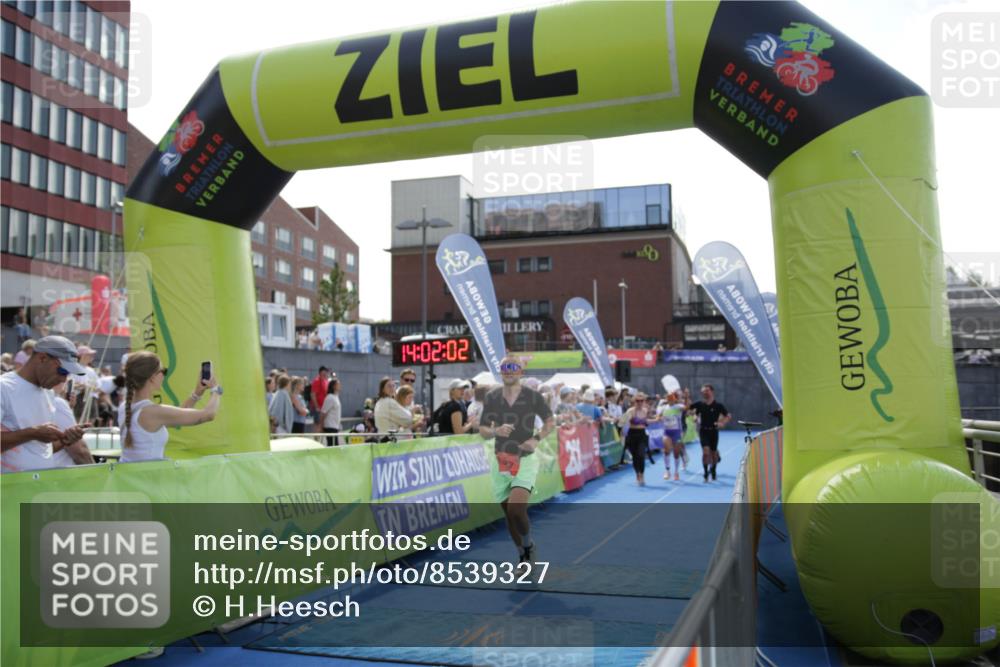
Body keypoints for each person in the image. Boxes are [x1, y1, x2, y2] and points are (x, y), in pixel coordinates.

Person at [479, 356, 554, 564]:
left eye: (513, 367)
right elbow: (483, 430)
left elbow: (550, 422)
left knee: (516, 509)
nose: (509, 371)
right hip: (500, 460)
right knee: (509, 514)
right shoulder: (492, 396)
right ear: (501, 372)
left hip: (525, 458)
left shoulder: (532, 396)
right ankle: (522, 554)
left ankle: (529, 545)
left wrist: (536, 439)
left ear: (521, 372)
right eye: (505, 367)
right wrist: (496, 430)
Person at [1, 336, 89, 473]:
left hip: (38, 485)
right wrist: (33, 433)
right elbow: (34, 437)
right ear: (42, 358)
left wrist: (66, 440)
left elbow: (39, 450)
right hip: (9, 489)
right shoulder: (4, 387)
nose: (64, 379)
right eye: (62, 371)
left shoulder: (48, 393)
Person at [118, 351, 221, 463]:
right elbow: (208, 414)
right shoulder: (151, 412)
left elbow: (176, 416)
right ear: (152, 377)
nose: (164, 375)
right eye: (163, 371)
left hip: (129, 478)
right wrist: (216, 390)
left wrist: (196, 393)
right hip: (146, 479)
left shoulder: (125, 406)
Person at [688, 384, 731, 482]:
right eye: (703, 391)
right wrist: (687, 398)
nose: (705, 393)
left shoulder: (718, 405)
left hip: (714, 431)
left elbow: (728, 415)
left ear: (712, 391)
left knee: (713, 453)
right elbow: (689, 408)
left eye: (707, 390)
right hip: (703, 431)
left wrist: (722, 423)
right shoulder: (700, 404)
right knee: (705, 452)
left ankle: (713, 470)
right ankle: (705, 473)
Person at [50, 378, 95, 465]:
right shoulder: (57, 403)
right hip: (60, 472)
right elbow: (78, 450)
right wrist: (96, 473)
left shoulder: (37, 399)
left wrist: (68, 408)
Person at [618, 392, 656, 485]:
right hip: (632, 435)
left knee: (641, 455)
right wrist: (623, 428)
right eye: (637, 401)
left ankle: (642, 475)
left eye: (641, 401)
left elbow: (647, 421)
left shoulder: (645, 410)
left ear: (644, 401)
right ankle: (637, 474)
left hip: (642, 435)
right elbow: (623, 422)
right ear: (634, 401)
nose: (639, 402)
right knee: (635, 457)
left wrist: (657, 419)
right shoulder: (630, 411)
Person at [657, 391, 687, 481]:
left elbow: (686, 407)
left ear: (675, 399)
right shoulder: (663, 408)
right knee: (666, 451)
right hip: (667, 432)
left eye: (672, 398)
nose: (670, 400)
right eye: (668, 398)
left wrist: (686, 397)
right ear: (667, 399)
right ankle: (667, 471)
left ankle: (676, 472)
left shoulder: (678, 407)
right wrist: (659, 418)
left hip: (677, 432)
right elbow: (658, 416)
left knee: (676, 453)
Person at [320, 378, 342, 446]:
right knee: (332, 446)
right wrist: (321, 426)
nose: (340, 385)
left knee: (333, 446)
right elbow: (323, 412)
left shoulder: (336, 397)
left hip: (335, 426)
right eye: (338, 384)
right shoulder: (330, 397)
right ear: (333, 386)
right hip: (330, 426)